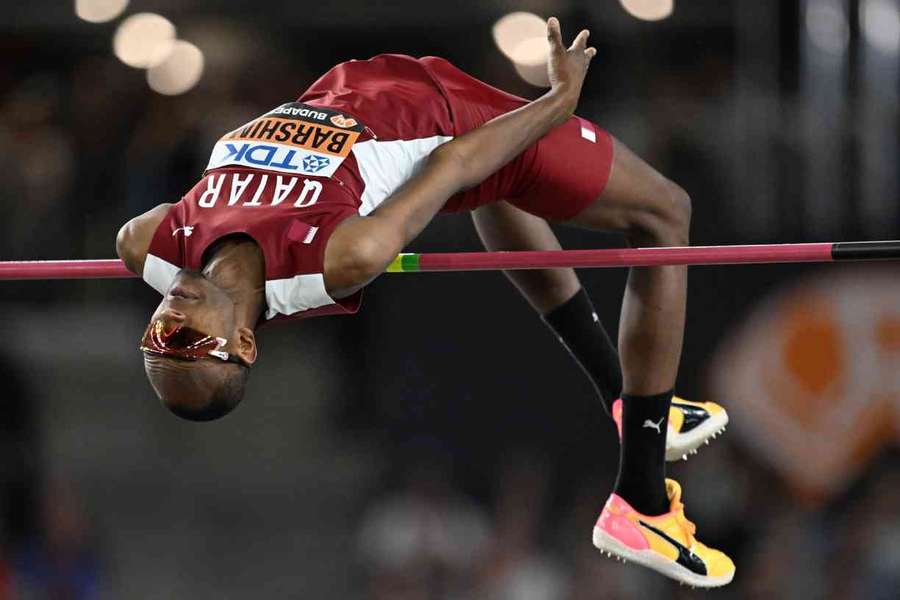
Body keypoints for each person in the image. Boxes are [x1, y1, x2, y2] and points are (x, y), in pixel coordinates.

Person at [116, 18, 734, 586]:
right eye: (189, 342)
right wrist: (556, 104)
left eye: (156, 340)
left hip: (365, 89)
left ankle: (626, 398)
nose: (169, 323)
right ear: (246, 344)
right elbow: (456, 161)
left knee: (492, 192)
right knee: (664, 211)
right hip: (455, 121)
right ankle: (643, 499)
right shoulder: (338, 258)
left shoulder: (150, 244)